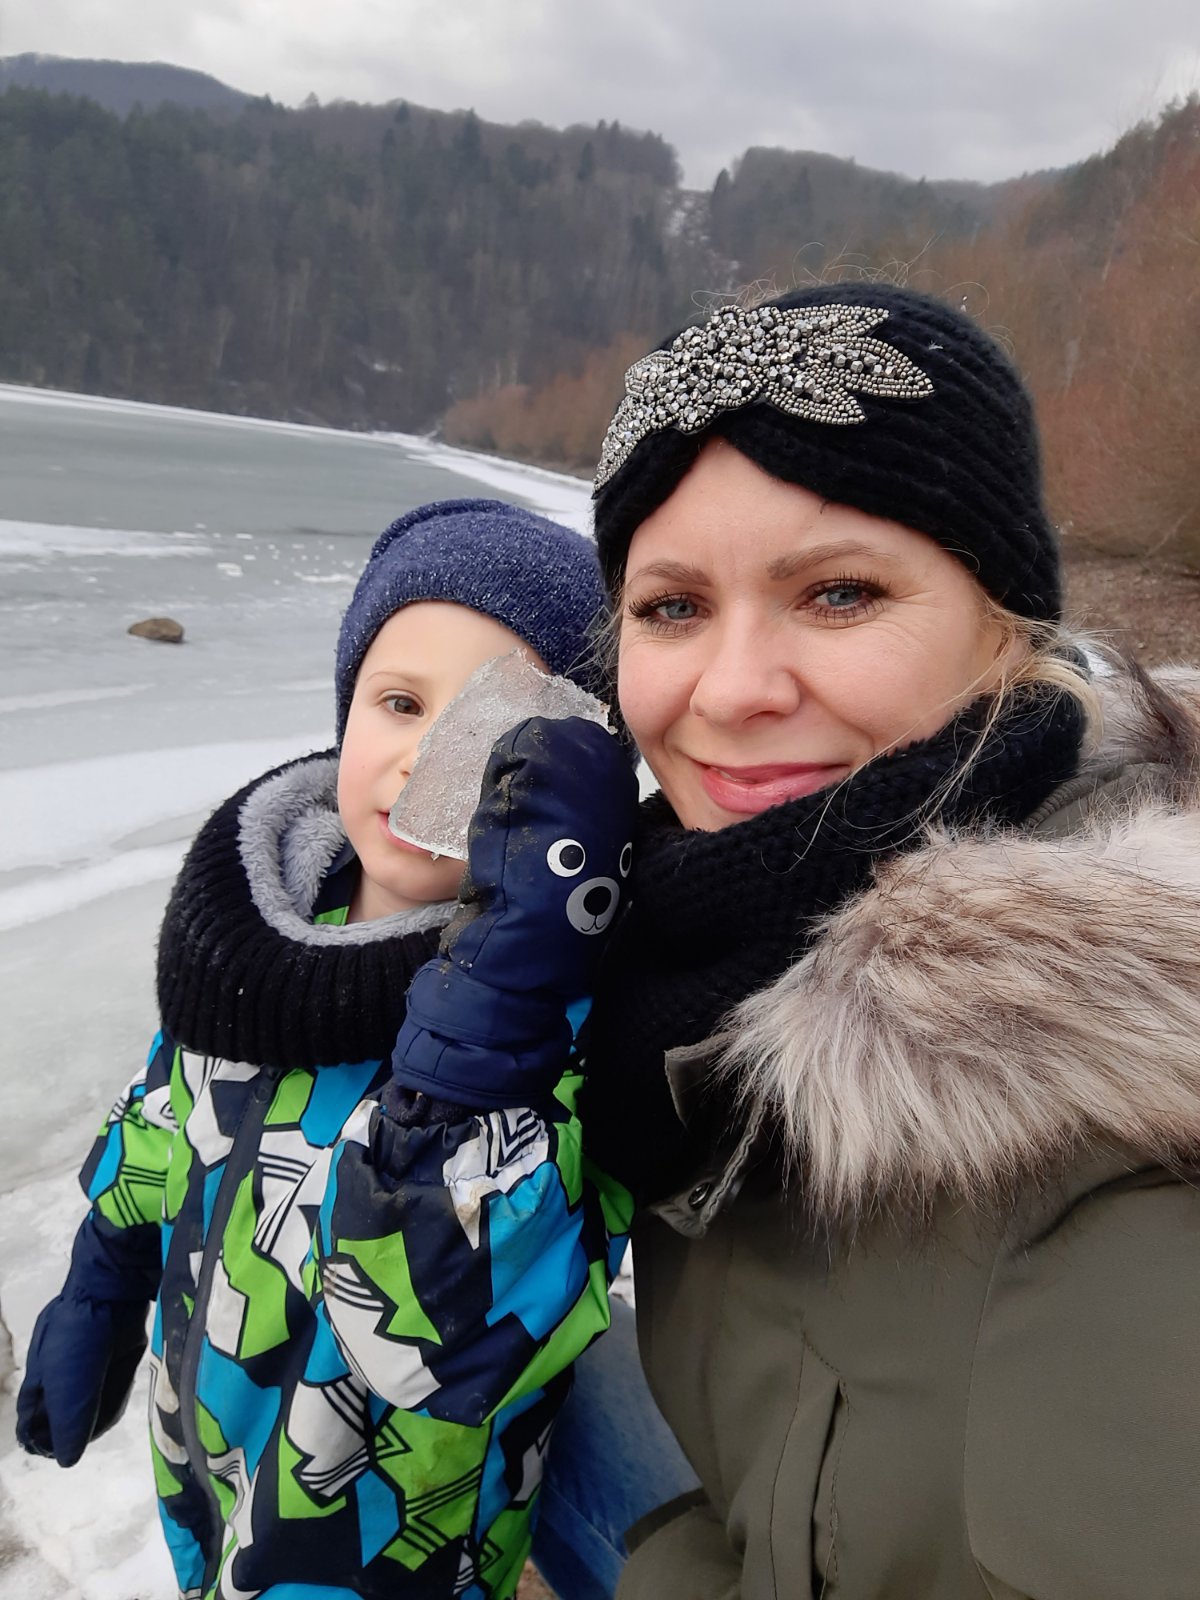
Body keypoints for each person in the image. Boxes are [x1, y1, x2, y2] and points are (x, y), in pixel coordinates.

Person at [557, 283, 1200, 1599]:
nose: (734, 689)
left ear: (1008, 630)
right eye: (672, 607)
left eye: (839, 592)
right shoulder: (692, 974)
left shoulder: (1124, 1177)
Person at [15, 498, 643, 1600]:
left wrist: (496, 1007)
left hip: (385, 1548)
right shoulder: (263, 927)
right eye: (399, 703)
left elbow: (467, 1327)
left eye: (493, 738)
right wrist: (103, 1271)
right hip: (206, 1451)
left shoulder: (565, 1026)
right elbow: (170, 1102)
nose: (423, 761)